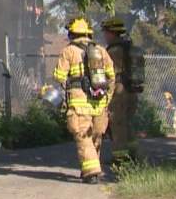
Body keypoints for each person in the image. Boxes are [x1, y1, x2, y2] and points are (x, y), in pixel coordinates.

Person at [53, 17, 115, 183]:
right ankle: (91, 167)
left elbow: (59, 76)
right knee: (96, 136)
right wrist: (107, 97)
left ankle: (91, 171)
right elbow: (111, 75)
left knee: (83, 136)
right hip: (100, 101)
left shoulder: (69, 51)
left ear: (72, 34)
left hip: (80, 103)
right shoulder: (101, 50)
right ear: (88, 34)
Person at [102, 17, 142, 165]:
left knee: (117, 125)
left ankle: (120, 158)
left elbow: (109, 73)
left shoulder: (113, 51)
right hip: (132, 90)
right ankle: (133, 155)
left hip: (119, 90)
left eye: (106, 33)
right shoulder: (129, 47)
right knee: (128, 124)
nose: (105, 36)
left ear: (112, 33)